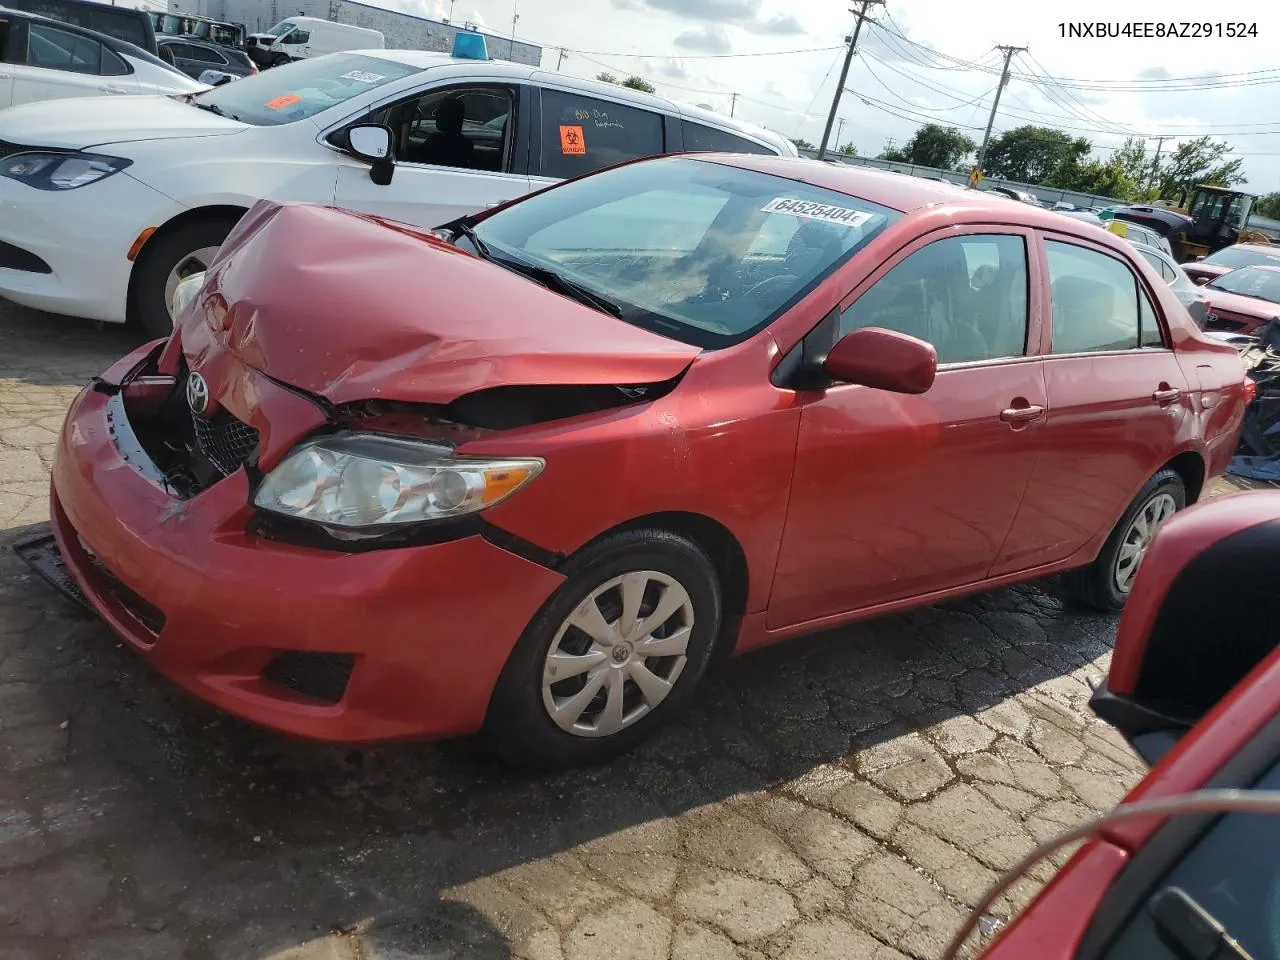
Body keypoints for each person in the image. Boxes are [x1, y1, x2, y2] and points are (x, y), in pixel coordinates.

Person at [413, 96, 474, 168]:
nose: (437, 115)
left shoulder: (435, 141)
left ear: (450, 117)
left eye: (441, 112)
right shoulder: (466, 144)